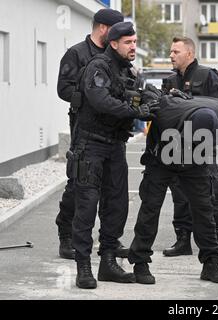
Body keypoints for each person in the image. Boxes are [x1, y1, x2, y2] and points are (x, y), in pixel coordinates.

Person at [71, 22, 158, 289]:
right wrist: (136, 112)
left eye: (135, 41)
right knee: (86, 206)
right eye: (129, 42)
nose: (134, 46)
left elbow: (135, 96)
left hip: (115, 146)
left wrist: (151, 100)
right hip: (90, 146)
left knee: (117, 206)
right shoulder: (99, 67)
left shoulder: (128, 71)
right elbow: (101, 101)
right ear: (113, 43)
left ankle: (107, 262)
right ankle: (83, 266)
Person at [55, 8, 128, 261]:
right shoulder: (77, 53)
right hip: (84, 127)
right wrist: (92, 94)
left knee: (112, 188)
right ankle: (66, 234)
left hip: (112, 129)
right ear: (104, 29)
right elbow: (62, 89)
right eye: (117, 30)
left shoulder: (116, 54)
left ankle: (110, 239)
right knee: (78, 184)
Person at [161, 37, 218, 260]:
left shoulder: (207, 75)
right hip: (175, 142)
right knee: (179, 193)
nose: (171, 55)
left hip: (201, 142)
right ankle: (183, 240)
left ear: (189, 54)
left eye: (176, 52)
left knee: (211, 191)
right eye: (170, 51)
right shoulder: (170, 80)